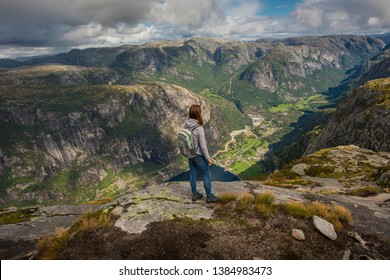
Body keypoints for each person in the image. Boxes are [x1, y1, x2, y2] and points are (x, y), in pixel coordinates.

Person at [183, 104, 220, 203]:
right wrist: (208, 158)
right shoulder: (199, 128)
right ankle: (209, 196)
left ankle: (195, 194)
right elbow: (203, 146)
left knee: (193, 173)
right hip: (198, 155)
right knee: (207, 173)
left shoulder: (185, 124)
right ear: (198, 114)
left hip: (190, 153)